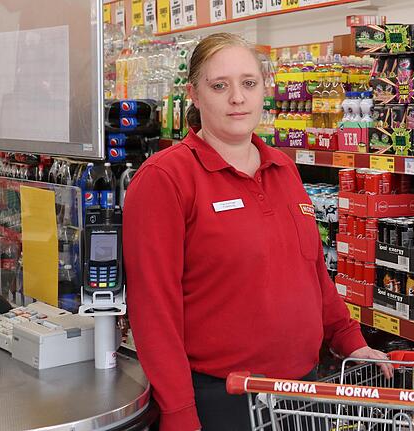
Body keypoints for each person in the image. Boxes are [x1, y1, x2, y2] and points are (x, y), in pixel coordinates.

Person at [123, 33, 393, 431]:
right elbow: (153, 310)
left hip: (302, 393)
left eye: (248, 83)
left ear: (263, 88)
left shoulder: (283, 169)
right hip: (221, 400)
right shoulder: (165, 178)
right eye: (220, 85)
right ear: (193, 94)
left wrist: (351, 341)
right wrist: (179, 414)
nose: (238, 98)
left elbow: (313, 273)